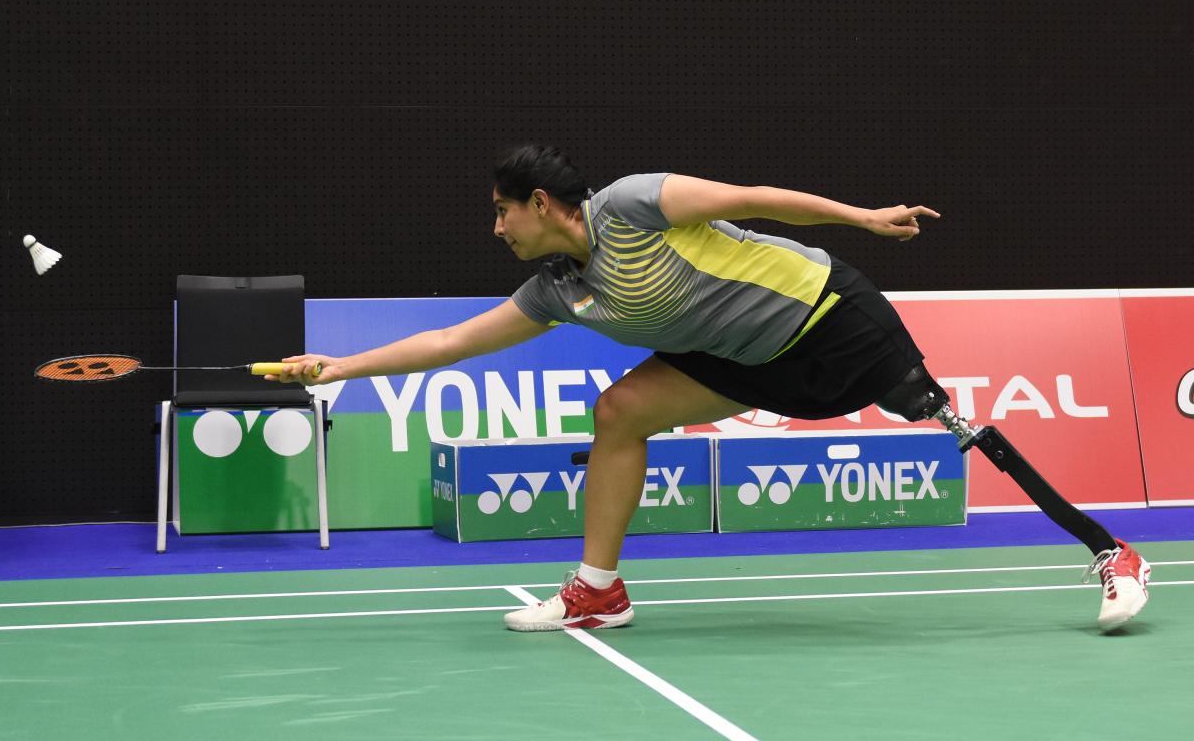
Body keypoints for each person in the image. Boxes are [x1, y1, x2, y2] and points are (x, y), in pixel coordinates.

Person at [271, 144, 1150, 633]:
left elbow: (760, 197)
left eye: (503, 210)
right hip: (738, 362)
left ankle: (1112, 553)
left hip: (825, 315)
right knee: (619, 413)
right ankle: (598, 590)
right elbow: (453, 341)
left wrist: (863, 218)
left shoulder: (631, 205)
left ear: (542, 203)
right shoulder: (555, 292)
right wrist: (337, 368)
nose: (496, 227)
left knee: (953, 424)